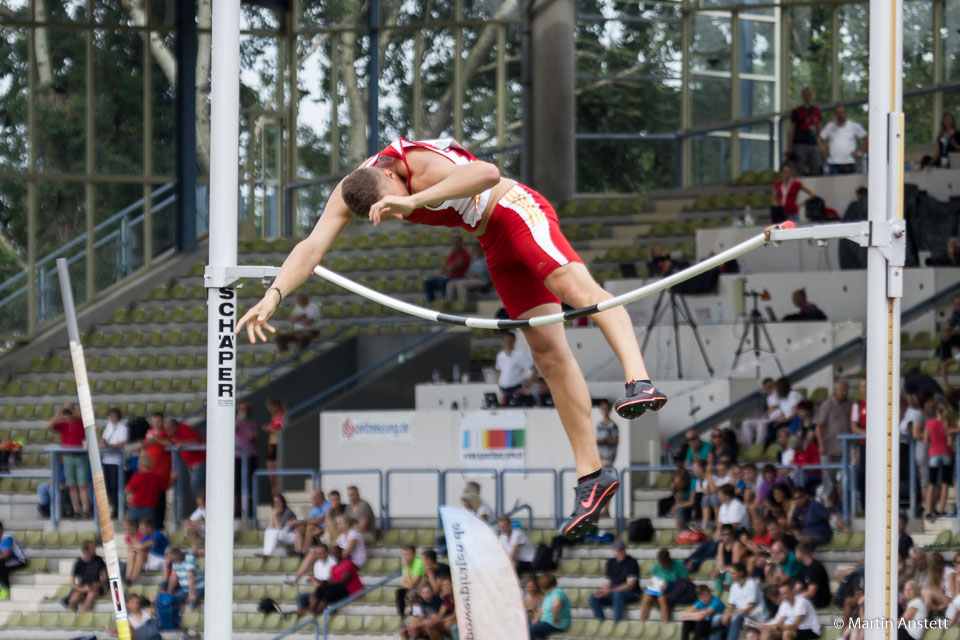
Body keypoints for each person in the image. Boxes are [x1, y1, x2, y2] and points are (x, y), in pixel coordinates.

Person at [234, 136, 670, 539]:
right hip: (492, 239)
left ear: (392, 175)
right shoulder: (356, 187)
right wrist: (272, 297)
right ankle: (592, 476)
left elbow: (488, 174)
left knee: (578, 292)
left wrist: (416, 200)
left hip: (516, 210)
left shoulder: (417, 164)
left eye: (394, 202)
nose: (397, 211)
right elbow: (311, 248)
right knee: (549, 354)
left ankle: (639, 380)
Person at [45, 402, 91, 519]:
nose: (68, 412)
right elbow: (47, 427)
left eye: (70, 409)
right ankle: (76, 510)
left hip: (80, 456)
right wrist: (58, 415)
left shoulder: (80, 422)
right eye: (66, 410)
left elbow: (92, 421)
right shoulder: (62, 424)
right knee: (72, 486)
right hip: (67, 457)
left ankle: (86, 509)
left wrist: (75, 414)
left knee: (82, 485)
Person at [813, 380, 851, 498]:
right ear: (835, 390)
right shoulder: (827, 404)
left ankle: (845, 502)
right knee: (828, 479)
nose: (843, 393)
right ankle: (829, 503)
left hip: (846, 448)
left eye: (846, 390)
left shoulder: (851, 404)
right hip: (829, 447)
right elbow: (818, 426)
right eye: (841, 390)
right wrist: (821, 445)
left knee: (847, 476)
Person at [588, 540, 640, 622]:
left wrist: (610, 591)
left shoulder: (632, 562)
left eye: (622, 550)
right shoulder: (611, 562)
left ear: (625, 550)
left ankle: (617, 623)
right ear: (613, 551)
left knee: (617, 594)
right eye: (618, 550)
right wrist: (603, 591)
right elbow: (607, 582)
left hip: (632, 593)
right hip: (614, 592)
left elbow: (630, 586)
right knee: (592, 597)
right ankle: (602, 622)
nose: (620, 552)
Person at [715, 563, 766, 640]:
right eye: (731, 573)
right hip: (743, 615)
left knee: (735, 617)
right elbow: (730, 605)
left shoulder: (751, 584)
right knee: (717, 618)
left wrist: (733, 614)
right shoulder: (734, 586)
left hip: (755, 617)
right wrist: (726, 615)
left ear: (741, 573)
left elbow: (750, 608)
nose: (731, 575)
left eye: (733, 573)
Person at [925, 401, 957, 518]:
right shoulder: (948, 424)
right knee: (945, 483)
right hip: (946, 454)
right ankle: (941, 508)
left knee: (931, 483)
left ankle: (928, 510)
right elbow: (949, 443)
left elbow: (925, 440)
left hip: (933, 453)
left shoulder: (929, 423)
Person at [140, 412, 172, 527]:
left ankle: (159, 523)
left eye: (158, 421)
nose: (156, 423)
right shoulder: (149, 433)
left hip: (162, 471)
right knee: (151, 499)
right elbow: (144, 447)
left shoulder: (166, 432)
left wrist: (157, 440)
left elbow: (171, 443)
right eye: (154, 421)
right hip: (150, 472)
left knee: (161, 498)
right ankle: (151, 523)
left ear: (162, 422)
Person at [640, 548, 689, 622]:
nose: (662, 566)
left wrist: (670, 583)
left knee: (661, 598)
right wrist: (650, 587)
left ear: (668, 561)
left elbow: (686, 581)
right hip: (658, 589)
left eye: (664, 564)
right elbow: (654, 580)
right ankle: (642, 622)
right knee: (646, 597)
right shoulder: (656, 566)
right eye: (661, 564)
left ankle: (665, 624)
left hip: (672, 589)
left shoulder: (679, 565)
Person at [165, 417, 206, 503]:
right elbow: (161, 438)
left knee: (197, 486)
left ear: (174, 427)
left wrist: (182, 443)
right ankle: (201, 508)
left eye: (168, 430)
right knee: (196, 487)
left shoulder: (184, 429)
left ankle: (202, 508)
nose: (167, 433)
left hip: (199, 462)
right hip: (191, 464)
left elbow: (195, 441)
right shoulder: (173, 434)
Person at [818, 105, 867, 174]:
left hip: (850, 162)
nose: (840, 115)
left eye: (842, 113)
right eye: (838, 113)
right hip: (833, 163)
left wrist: (860, 153)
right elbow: (820, 139)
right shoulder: (830, 126)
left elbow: (866, 139)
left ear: (845, 114)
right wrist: (824, 150)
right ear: (834, 115)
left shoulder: (854, 126)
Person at [423, 234, 471, 303]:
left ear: (461, 244)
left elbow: (452, 268)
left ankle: (446, 303)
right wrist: (449, 267)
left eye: (457, 243)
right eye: (453, 243)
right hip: (449, 277)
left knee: (443, 282)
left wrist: (449, 267)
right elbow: (443, 269)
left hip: (459, 277)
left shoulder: (465, 254)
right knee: (427, 283)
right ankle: (431, 303)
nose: (455, 245)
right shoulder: (452, 254)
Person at [495, 330, 537, 407]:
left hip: (515, 390)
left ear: (514, 341)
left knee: (514, 413)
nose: (508, 343)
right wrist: (498, 382)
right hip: (503, 390)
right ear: (503, 341)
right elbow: (499, 370)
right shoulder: (500, 355)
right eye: (506, 340)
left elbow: (534, 371)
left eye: (510, 340)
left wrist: (526, 387)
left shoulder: (520, 354)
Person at [786, 87, 822, 176]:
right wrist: (789, 147)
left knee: (815, 168)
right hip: (800, 144)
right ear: (802, 96)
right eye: (805, 95)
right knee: (799, 168)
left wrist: (821, 144)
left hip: (813, 143)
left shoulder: (816, 111)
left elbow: (819, 128)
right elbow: (792, 130)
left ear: (812, 96)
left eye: (809, 95)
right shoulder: (797, 111)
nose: (807, 97)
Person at [99, 407, 128, 518]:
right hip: (107, 460)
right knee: (108, 486)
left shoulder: (122, 428)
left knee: (116, 486)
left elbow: (121, 444)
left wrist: (108, 445)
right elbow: (104, 439)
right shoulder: (109, 426)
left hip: (116, 461)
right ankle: (112, 507)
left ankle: (118, 508)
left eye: (112, 416)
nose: (110, 418)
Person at [294, 543, 337, 612]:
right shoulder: (317, 564)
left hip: (329, 590)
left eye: (322, 553)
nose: (319, 556)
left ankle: (311, 613)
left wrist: (315, 592)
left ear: (327, 552)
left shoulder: (333, 563)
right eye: (317, 554)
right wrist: (314, 593)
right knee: (301, 597)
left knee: (315, 598)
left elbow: (329, 582)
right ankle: (306, 616)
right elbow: (317, 584)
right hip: (320, 590)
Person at [124, 517, 168, 584]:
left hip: (162, 560)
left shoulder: (158, 534)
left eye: (142, 528)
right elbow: (135, 547)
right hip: (152, 560)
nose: (140, 531)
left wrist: (134, 547)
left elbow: (142, 546)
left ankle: (132, 580)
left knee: (140, 553)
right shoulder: (145, 537)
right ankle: (128, 578)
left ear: (150, 528)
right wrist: (134, 548)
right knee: (132, 553)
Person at [125, 455, 166, 524]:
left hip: (136, 507)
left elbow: (127, 490)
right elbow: (165, 487)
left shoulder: (136, 477)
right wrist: (173, 479)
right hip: (150, 509)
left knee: (135, 530)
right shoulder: (156, 478)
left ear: (142, 465)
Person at [234, 401, 259, 516]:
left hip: (249, 456)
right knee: (236, 484)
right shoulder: (235, 423)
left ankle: (248, 508)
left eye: (245, 409)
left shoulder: (252, 425)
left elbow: (258, 442)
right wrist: (237, 421)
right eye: (241, 409)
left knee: (249, 483)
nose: (244, 411)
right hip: (237, 457)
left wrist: (255, 437)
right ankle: (236, 509)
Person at [528, 573, 570, 638]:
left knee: (530, 630)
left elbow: (556, 604)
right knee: (528, 627)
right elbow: (542, 609)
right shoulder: (549, 594)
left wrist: (555, 619)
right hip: (547, 622)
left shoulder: (557, 592)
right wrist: (535, 620)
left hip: (555, 624)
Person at [292, 489, 329, 555]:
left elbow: (318, 520)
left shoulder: (328, 506)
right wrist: (301, 522)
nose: (311, 500)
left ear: (319, 498)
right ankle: (299, 551)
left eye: (313, 498)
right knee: (299, 528)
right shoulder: (315, 507)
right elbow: (310, 519)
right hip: (316, 527)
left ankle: (305, 551)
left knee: (310, 526)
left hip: (324, 529)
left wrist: (301, 521)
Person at [262, 397, 287, 496]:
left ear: (277, 406)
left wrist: (271, 429)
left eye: (271, 408)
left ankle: (279, 497)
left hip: (278, 446)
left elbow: (285, 431)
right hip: (271, 447)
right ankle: (274, 498)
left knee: (278, 476)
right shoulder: (273, 418)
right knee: (272, 478)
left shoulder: (284, 417)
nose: (270, 410)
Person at [793, 543, 830, 608]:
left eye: (796, 553)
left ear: (800, 553)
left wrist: (795, 597)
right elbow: (797, 586)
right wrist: (789, 595)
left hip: (819, 602)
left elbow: (811, 593)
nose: (795, 555)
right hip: (808, 600)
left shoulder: (815, 568)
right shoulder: (804, 568)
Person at [395, 545, 424, 617]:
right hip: (414, 587)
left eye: (408, 554)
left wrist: (407, 567)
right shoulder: (406, 563)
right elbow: (403, 583)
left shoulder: (419, 562)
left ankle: (416, 613)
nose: (405, 557)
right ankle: (402, 615)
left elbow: (411, 584)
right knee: (400, 592)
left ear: (413, 554)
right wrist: (410, 584)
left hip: (421, 588)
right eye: (404, 554)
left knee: (411, 594)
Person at [0, 522, 26, 601]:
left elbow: (5, 554)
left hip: (19, 560)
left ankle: (6, 589)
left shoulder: (7, 538)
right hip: (7, 560)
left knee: (1, 565)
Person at [939, 297, 960, 391]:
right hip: (957, 334)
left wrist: (951, 333)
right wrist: (947, 332)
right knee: (944, 338)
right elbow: (951, 325)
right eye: (955, 305)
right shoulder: (955, 312)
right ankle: (946, 358)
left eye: (959, 304)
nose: (957, 306)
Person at [595, 399, 619, 467]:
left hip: (608, 458)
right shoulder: (599, 425)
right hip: (599, 457)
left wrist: (605, 441)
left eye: (606, 408)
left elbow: (616, 440)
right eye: (602, 409)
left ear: (609, 410)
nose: (604, 411)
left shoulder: (612, 425)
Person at [184, 492, 205, 557]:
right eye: (198, 503)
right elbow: (191, 519)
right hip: (205, 533)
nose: (199, 505)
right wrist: (187, 524)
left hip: (216, 533)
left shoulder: (213, 508)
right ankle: (194, 551)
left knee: (194, 527)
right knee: (191, 529)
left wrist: (198, 522)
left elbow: (213, 522)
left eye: (200, 503)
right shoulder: (201, 509)